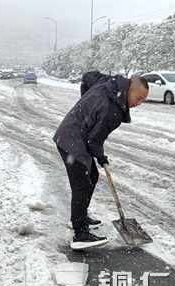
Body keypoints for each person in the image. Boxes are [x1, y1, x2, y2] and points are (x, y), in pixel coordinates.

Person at [53, 71, 149, 250]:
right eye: (139, 98)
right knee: (82, 184)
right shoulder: (113, 111)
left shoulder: (109, 83)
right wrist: (101, 156)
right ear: (129, 90)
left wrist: (86, 104)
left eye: (143, 100)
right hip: (71, 140)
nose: (139, 104)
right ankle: (80, 234)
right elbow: (94, 141)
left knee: (93, 176)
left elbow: (87, 76)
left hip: (72, 135)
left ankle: (80, 217)